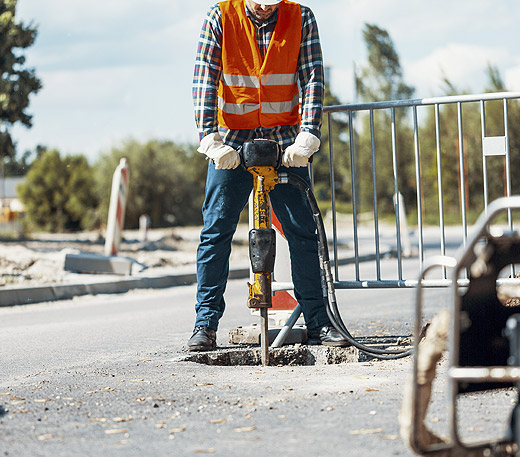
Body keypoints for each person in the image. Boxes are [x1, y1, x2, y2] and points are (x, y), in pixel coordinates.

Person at [189, 0, 349, 351]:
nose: (264, 8)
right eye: (258, 2)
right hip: (232, 140)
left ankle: (320, 323)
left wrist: (308, 133)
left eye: (271, 2)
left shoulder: (301, 17)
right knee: (216, 233)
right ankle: (205, 325)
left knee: (304, 233)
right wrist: (210, 139)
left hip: (285, 141)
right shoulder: (222, 16)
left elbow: (312, 79)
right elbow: (205, 77)